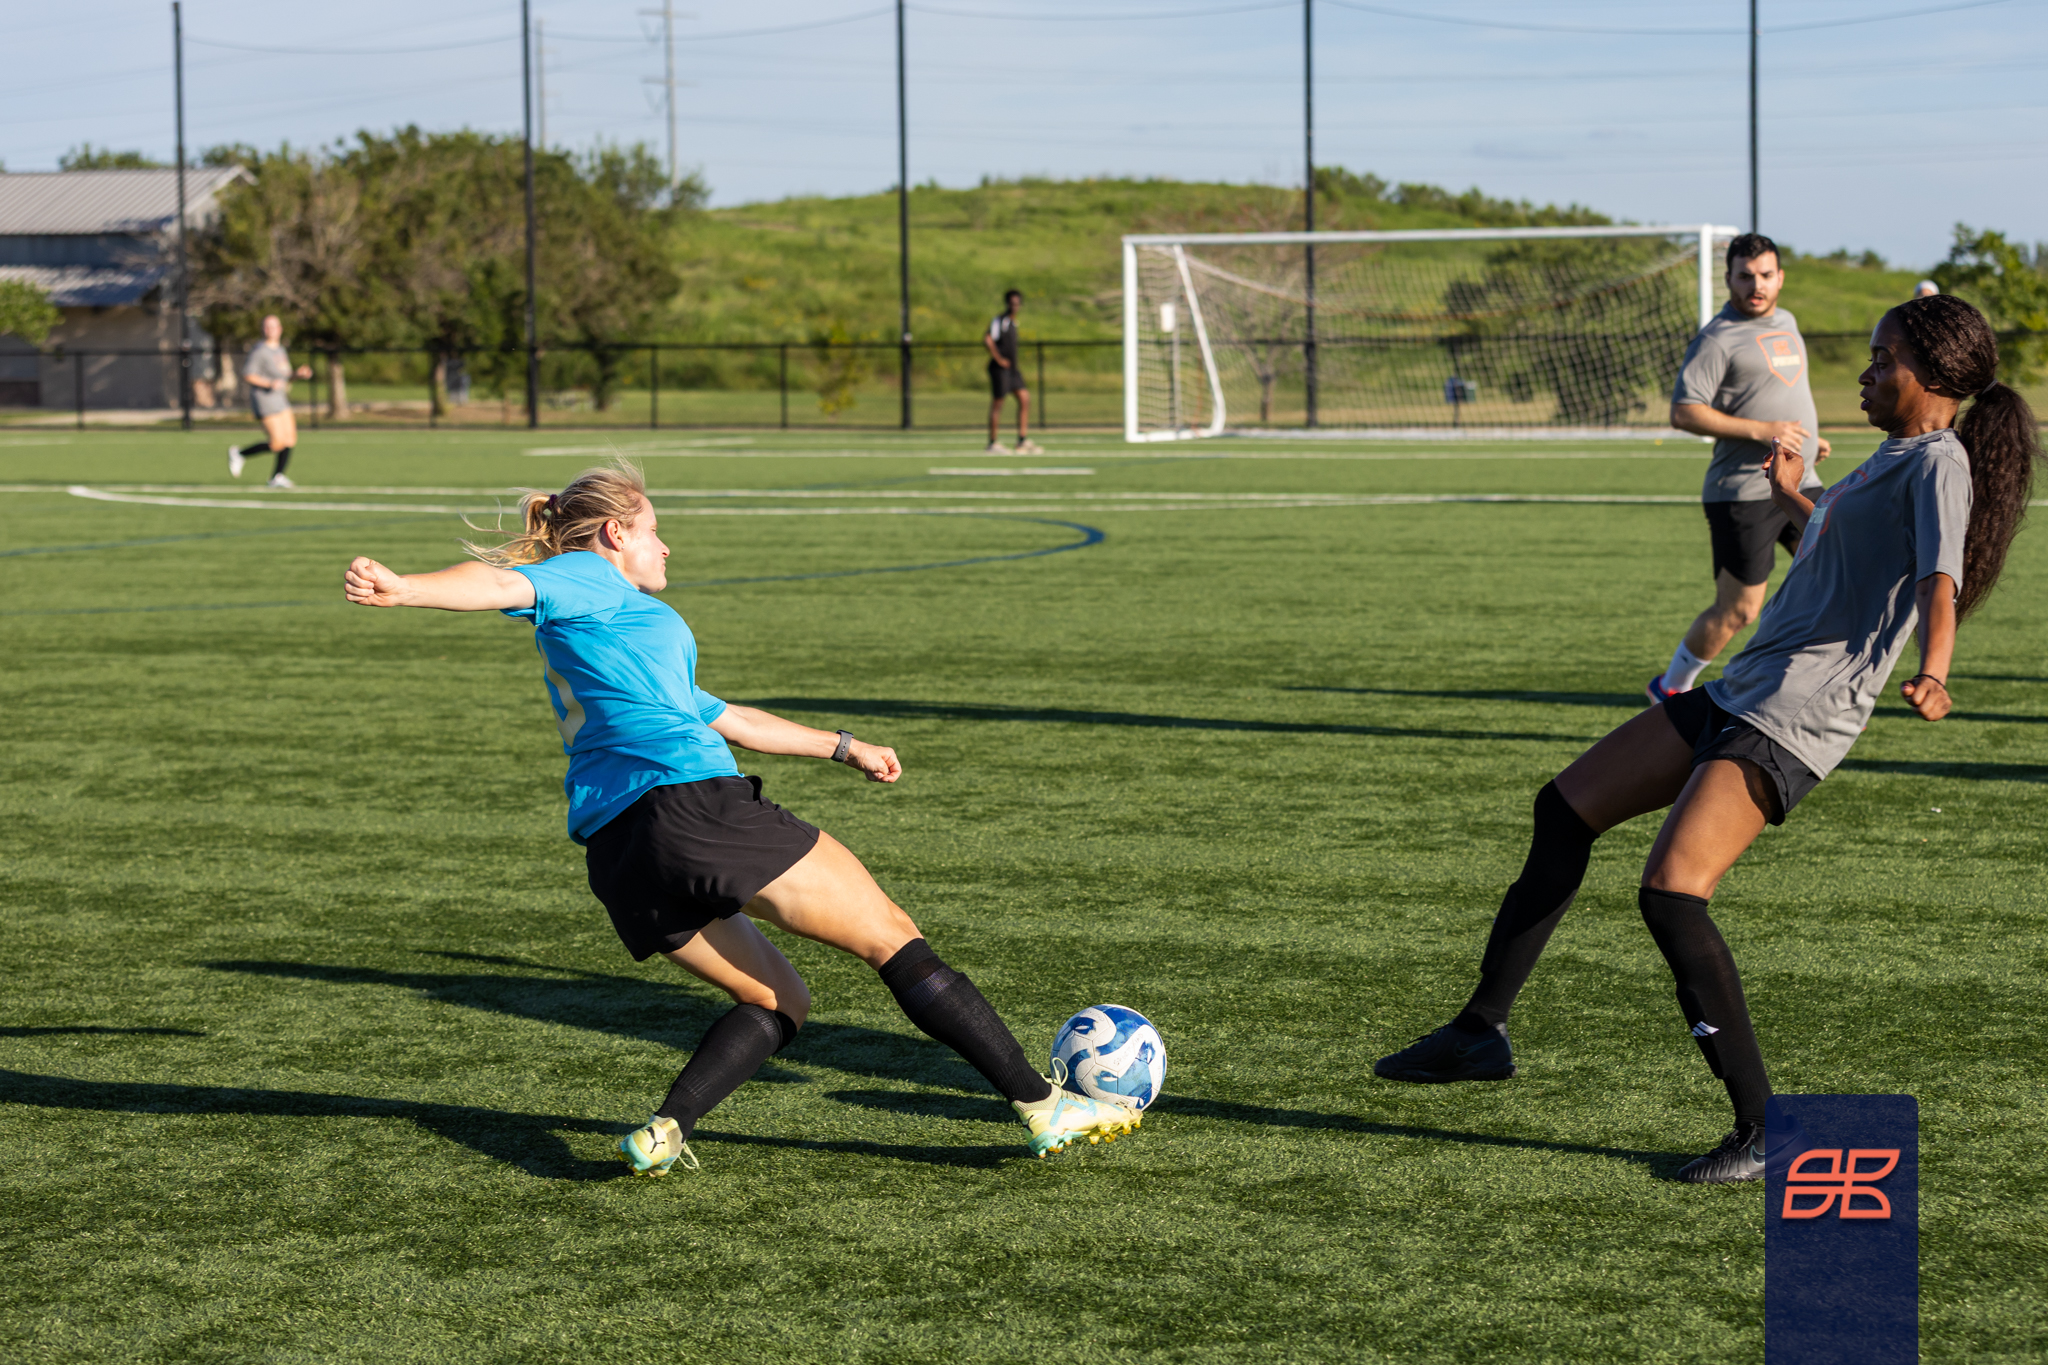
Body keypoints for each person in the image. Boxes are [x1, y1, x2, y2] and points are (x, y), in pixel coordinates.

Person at [1374, 294, 2037, 1183]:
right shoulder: (1894, 456)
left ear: (1937, 375)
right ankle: (1478, 1033)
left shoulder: (1941, 463)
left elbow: (1938, 581)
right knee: (1564, 807)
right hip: (1745, 689)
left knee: (1672, 892)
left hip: (1793, 717)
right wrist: (1792, 493)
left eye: (1884, 359)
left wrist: (1937, 670)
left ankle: (1762, 1127)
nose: (1866, 373)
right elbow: (1839, 555)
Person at [341, 464, 1139, 1175]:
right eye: (654, 530)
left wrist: (845, 746)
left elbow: (729, 717)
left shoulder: (627, 630)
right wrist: (406, 588)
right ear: (615, 533)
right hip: (693, 808)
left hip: (621, 854)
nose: (665, 547)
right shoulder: (587, 577)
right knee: (892, 936)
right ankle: (1043, 1104)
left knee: (778, 1000)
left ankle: (666, 1128)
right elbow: (505, 584)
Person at [1650, 234, 1829, 706]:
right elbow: (1684, 411)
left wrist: (1811, 440)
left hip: (1800, 481)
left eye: (1765, 275)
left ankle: (1820, 692)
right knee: (1739, 611)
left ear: (1780, 278)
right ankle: (1669, 688)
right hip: (1743, 492)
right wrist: (1764, 430)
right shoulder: (1716, 338)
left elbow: (1785, 392)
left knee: (1837, 575)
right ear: (1728, 278)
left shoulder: (1787, 321)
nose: (1756, 285)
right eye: (1745, 276)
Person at [229, 315, 311, 488]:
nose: (270, 330)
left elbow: (285, 377)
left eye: (273, 326)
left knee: (290, 439)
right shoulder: (260, 351)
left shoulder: (280, 350)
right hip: (264, 400)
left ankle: (277, 477)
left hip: (280, 398)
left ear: (280, 329)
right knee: (277, 443)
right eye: (266, 326)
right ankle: (239, 454)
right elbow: (248, 375)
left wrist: (298, 374)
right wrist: (269, 383)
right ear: (262, 330)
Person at [984, 289, 1043, 455]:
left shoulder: (1013, 322)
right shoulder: (1000, 320)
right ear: (1007, 304)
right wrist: (999, 359)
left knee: (1024, 399)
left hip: (1013, 371)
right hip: (1000, 370)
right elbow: (988, 339)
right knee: (998, 404)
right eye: (1012, 303)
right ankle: (992, 443)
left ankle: (1022, 440)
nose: (1014, 306)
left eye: (1017, 304)